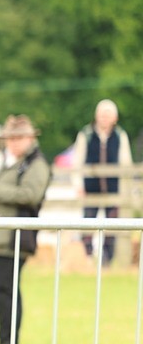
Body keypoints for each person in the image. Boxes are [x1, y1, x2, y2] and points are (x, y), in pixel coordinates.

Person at [0, 115, 50, 344]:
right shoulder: (12, 162)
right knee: (3, 291)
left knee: (8, 291)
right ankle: (4, 341)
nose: (12, 142)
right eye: (10, 138)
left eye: (17, 138)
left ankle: (8, 343)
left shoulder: (36, 165)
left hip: (14, 238)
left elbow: (30, 195)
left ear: (30, 138)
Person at [73, 100, 132, 264]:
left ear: (115, 118)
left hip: (113, 188)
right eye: (102, 114)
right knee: (88, 224)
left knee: (112, 225)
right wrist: (78, 185)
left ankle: (108, 259)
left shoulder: (120, 136)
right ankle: (87, 258)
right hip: (90, 187)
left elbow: (125, 163)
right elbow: (77, 162)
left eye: (108, 115)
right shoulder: (86, 134)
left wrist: (124, 188)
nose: (104, 118)